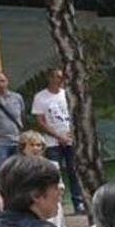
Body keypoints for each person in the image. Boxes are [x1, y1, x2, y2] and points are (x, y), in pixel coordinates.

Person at [31, 67, 86, 214]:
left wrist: (70, 134)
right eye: (57, 76)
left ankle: (78, 202)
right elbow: (40, 121)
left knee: (74, 171)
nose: (60, 79)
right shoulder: (41, 97)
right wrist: (58, 135)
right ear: (49, 78)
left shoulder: (67, 94)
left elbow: (75, 114)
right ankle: (56, 204)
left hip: (70, 139)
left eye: (62, 76)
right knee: (54, 173)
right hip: (51, 142)